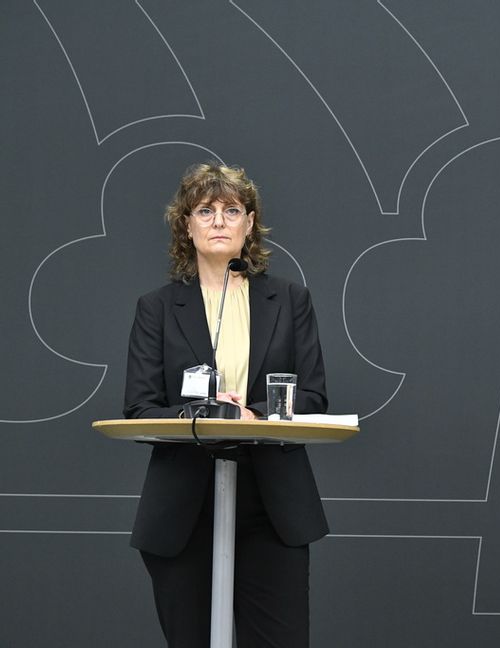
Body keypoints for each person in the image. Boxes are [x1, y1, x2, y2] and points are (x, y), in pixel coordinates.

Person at [124, 163, 329, 647]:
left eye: (232, 210)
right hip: (184, 504)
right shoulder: (156, 308)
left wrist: (252, 414)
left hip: (271, 500)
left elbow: (315, 396)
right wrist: (204, 414)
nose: (219, 220)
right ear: (187, 225)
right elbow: (140, 407)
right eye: (205, 210)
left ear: (249, 224)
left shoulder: (290, 300)